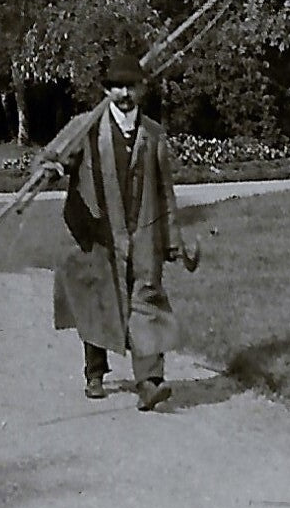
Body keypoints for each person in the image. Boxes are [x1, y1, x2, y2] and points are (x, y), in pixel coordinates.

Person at [39, 51, 185, 412]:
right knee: (97, 300)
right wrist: (51, 168)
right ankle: (95, 371)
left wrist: (172, 239)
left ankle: (149, 383)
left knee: (147, 301)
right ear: (106, 90)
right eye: (116, 87)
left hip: (143, 230)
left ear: (142, 88)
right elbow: (55, 157)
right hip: (96, 231)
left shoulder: (153, 134)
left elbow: (165, 190)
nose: (124, 94)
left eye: (130, 87)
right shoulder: (86, 128)